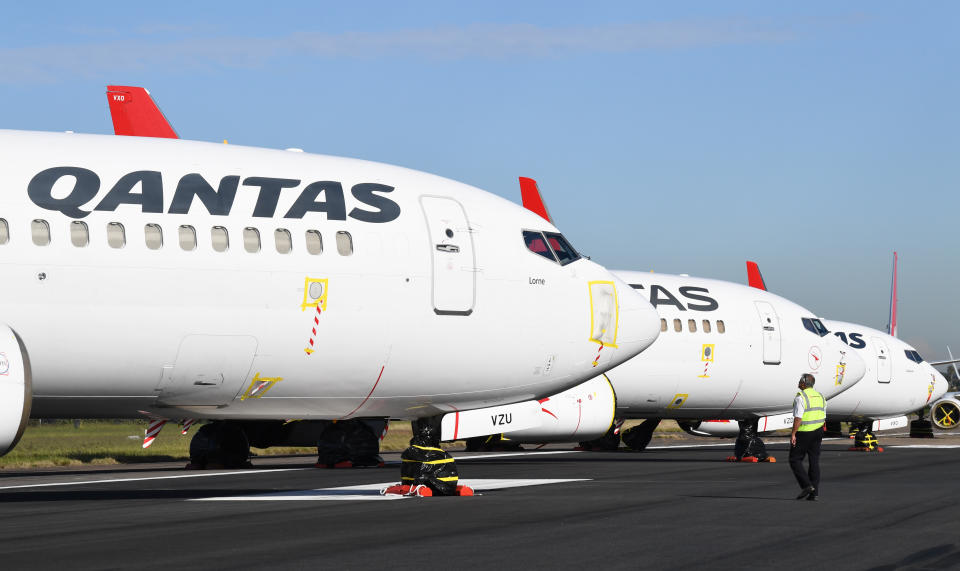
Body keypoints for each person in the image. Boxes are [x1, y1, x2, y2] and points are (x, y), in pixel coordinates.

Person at [790, 373, 826, 501]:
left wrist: (793, 433)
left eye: (800, 380)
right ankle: (814, 493)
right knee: (814, 461)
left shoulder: (801, 397)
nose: (799, 382)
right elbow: (823, 414)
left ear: (804, 383)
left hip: (805, 431)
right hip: (818, 431)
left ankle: (806, 486)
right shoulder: (821, 396)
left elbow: (798, 418)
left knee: (794, 459)